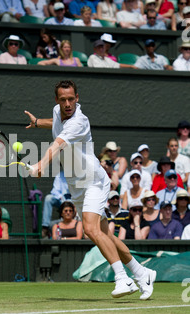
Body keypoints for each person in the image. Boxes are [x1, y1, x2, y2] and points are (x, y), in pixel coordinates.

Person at [24, 80, 156, 300]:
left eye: (71, 99)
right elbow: (55, 123)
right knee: (105, 235)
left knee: (90, 229)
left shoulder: (79, 122)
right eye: (63, 99)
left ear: (78, 98)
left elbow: (57, 144)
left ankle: (122, 279)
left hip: (94, 181)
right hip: (76, 186)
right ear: (57, 100)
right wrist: (38, 122)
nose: (67, 104)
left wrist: (40, 165)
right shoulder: (58, 111)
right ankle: (143, 273)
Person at [41, 170, 71, 238]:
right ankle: (45, 227)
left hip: (74, 201)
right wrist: (62, 198)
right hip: (61, 200)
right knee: (48, 198)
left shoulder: (78, 175)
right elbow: (55, 191)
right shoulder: (60, 175)